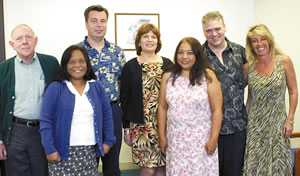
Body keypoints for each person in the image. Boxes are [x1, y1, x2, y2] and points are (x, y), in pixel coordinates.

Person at [40, 45, 115, 176]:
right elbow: (46, 121)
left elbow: (107, 115)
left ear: (87, 63)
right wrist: (49, 148)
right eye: (72, 62)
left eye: (81, 61)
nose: (77, 65)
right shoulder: (55, 88)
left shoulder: (96, 86)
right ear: (65, 65)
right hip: (62, 152)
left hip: (89, 152)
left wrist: (108, 141)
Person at [157, 37, 222, 175]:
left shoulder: (208, 76)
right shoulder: (168, 76)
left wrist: (214, 138)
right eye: (180, 52)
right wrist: (162, 135)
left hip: (201, 141)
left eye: (190, 53)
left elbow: (217, 110)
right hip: (176, 141)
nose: (184, 57)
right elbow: (162, 107)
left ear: (197, 55)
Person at [0, 24, 59, 176]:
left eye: (28, 37)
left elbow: (59, 98)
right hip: (15, 132)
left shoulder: (51, 63)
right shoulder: (3, 69)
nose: (24, 41)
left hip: (42, 131)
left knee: (42, 172)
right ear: (12, 45)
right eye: (19, 38)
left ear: (36, 41)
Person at [242, 24, 298, 176]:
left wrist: (290, 120)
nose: (259, 44)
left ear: (269, 40)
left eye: (263, 39)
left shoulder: (284, 61)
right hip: (255, 126)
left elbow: (293, 91)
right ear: (250, 45)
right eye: (254, 40)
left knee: (279, 166)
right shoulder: (249, 67)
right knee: (255, 168)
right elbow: (246, 96)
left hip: (278, 125)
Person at [78, 5, 126, 175]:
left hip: (112, 111)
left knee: (112, 164)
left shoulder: (117, 52)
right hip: (85, 113)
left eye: (103, 21)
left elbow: (123, 84)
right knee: (87, 164)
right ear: (86, 23)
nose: (99, 25)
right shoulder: (77, 52)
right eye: (94, 21)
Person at [120, 22, 173, 176]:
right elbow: (125, 99)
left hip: (165, 124)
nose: (150, 40)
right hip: (141, 126)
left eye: (153, 36)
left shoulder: (168, 64)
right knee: (148, 169)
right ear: (139, 41)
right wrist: (126, 129)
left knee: (162, 168)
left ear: (158, 41)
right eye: (145, 36)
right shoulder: (130, 66)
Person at [201, 11, 248, 176]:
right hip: (208, 128)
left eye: (217, 29)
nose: (214, 34)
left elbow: (247, 79)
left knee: (235, 171)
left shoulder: (240, 51)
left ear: (225, 28)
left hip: (237, 125)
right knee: (211, 172)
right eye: (209, 31)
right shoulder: (198, 56)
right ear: (203, 32)